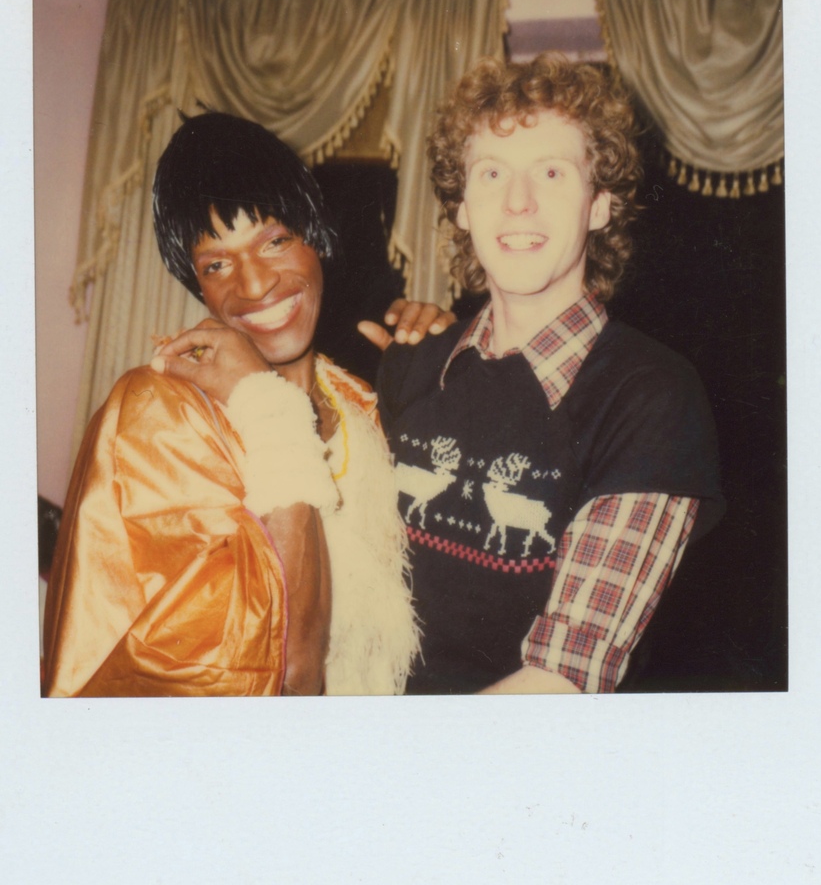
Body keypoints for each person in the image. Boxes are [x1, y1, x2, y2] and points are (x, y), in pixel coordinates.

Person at [373, 54, 725, 695]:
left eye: (553, 172)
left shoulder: (652, 397)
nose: (518, 201)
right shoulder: (411, 364)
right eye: (491, 172)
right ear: (462, 209)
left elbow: (561, 681)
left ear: (599, 205)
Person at [43, 111, 419, 697]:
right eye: (217, 264)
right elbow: (285, 669)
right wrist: (269, 409)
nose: (253, 285)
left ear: (316, 239)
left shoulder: (357, 402)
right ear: (198, 286)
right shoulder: (159, 414)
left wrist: (455, 370)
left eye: (273, 241)